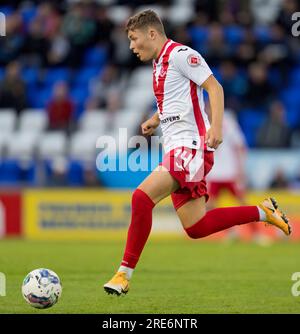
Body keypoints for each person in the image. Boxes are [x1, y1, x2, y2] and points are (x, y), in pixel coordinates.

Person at [103, 10, 291, 296]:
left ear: (151, 34)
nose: (131, 46)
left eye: (133, 38)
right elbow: (176, 103)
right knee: (196, 227)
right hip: (177, 149)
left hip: (190, 147)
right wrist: (156, 119)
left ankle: (123, 274)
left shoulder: (181, 55)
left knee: (141, 198)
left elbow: (214, 88)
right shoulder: (158, 65)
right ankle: (263, 212)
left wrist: (216, 128)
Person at [207, 109, 269, 244]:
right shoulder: (205, 124)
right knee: (210, 206)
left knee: (243, 203)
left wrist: (241, 170)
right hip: (214, 174)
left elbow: (240, 146)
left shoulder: (228, 123)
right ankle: (231, 232)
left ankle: (257, 233)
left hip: (230, 172)